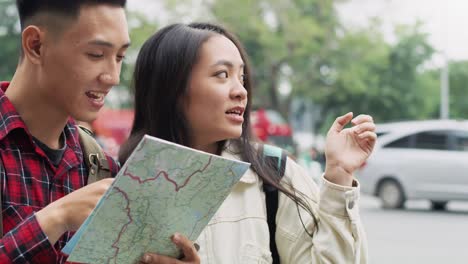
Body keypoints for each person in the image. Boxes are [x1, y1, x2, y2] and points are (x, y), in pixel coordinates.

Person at [119, 22, 377, 264]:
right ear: (172, 89)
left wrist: (338, 176)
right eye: (222, 75)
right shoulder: (119, 185)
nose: (240, 90)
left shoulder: (274, 173)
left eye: (241, 77)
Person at [0, 1, 198, 263]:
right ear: (36, 45)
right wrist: (56, 217)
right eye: (96, 55)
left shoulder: (103, 168)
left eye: (119, 57)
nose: (113, 77)